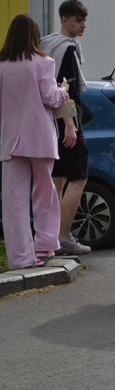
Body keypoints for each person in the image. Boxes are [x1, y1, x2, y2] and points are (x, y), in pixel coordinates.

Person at [0, 14, 69, 269]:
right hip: (38, 137)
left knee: (14, 201)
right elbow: (50, 98)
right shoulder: (44, 62)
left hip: (10, 140)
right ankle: (45, 245)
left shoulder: (2, 65)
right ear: (34, 35)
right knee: (45, 192)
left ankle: (20, 259)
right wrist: (64, 91)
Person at [40, 0, 91, 255]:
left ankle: (52, 238)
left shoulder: (47, 44)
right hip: (66, 122)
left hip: (49, 122)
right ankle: (64, 237)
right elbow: (64, 89)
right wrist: (70, 124)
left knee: (58, 178)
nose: (83, 26)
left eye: (84, 20)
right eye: (78, 20)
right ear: (64, 20)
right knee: (79, 177)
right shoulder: (68, 48)